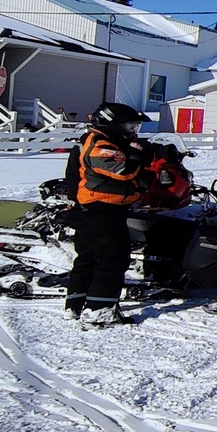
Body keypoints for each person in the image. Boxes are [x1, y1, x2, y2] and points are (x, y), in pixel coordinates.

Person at [65, 102, 149, 327]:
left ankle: (76, 305)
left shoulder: (99, 140)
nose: (133, 132)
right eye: (129, 126)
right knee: (112, 259)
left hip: (92, 209)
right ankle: (99, 311)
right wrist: (135, 154)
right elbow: (123, 171)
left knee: (89, 258)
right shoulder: (100, 144)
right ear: (112, 124)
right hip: (102, 209)